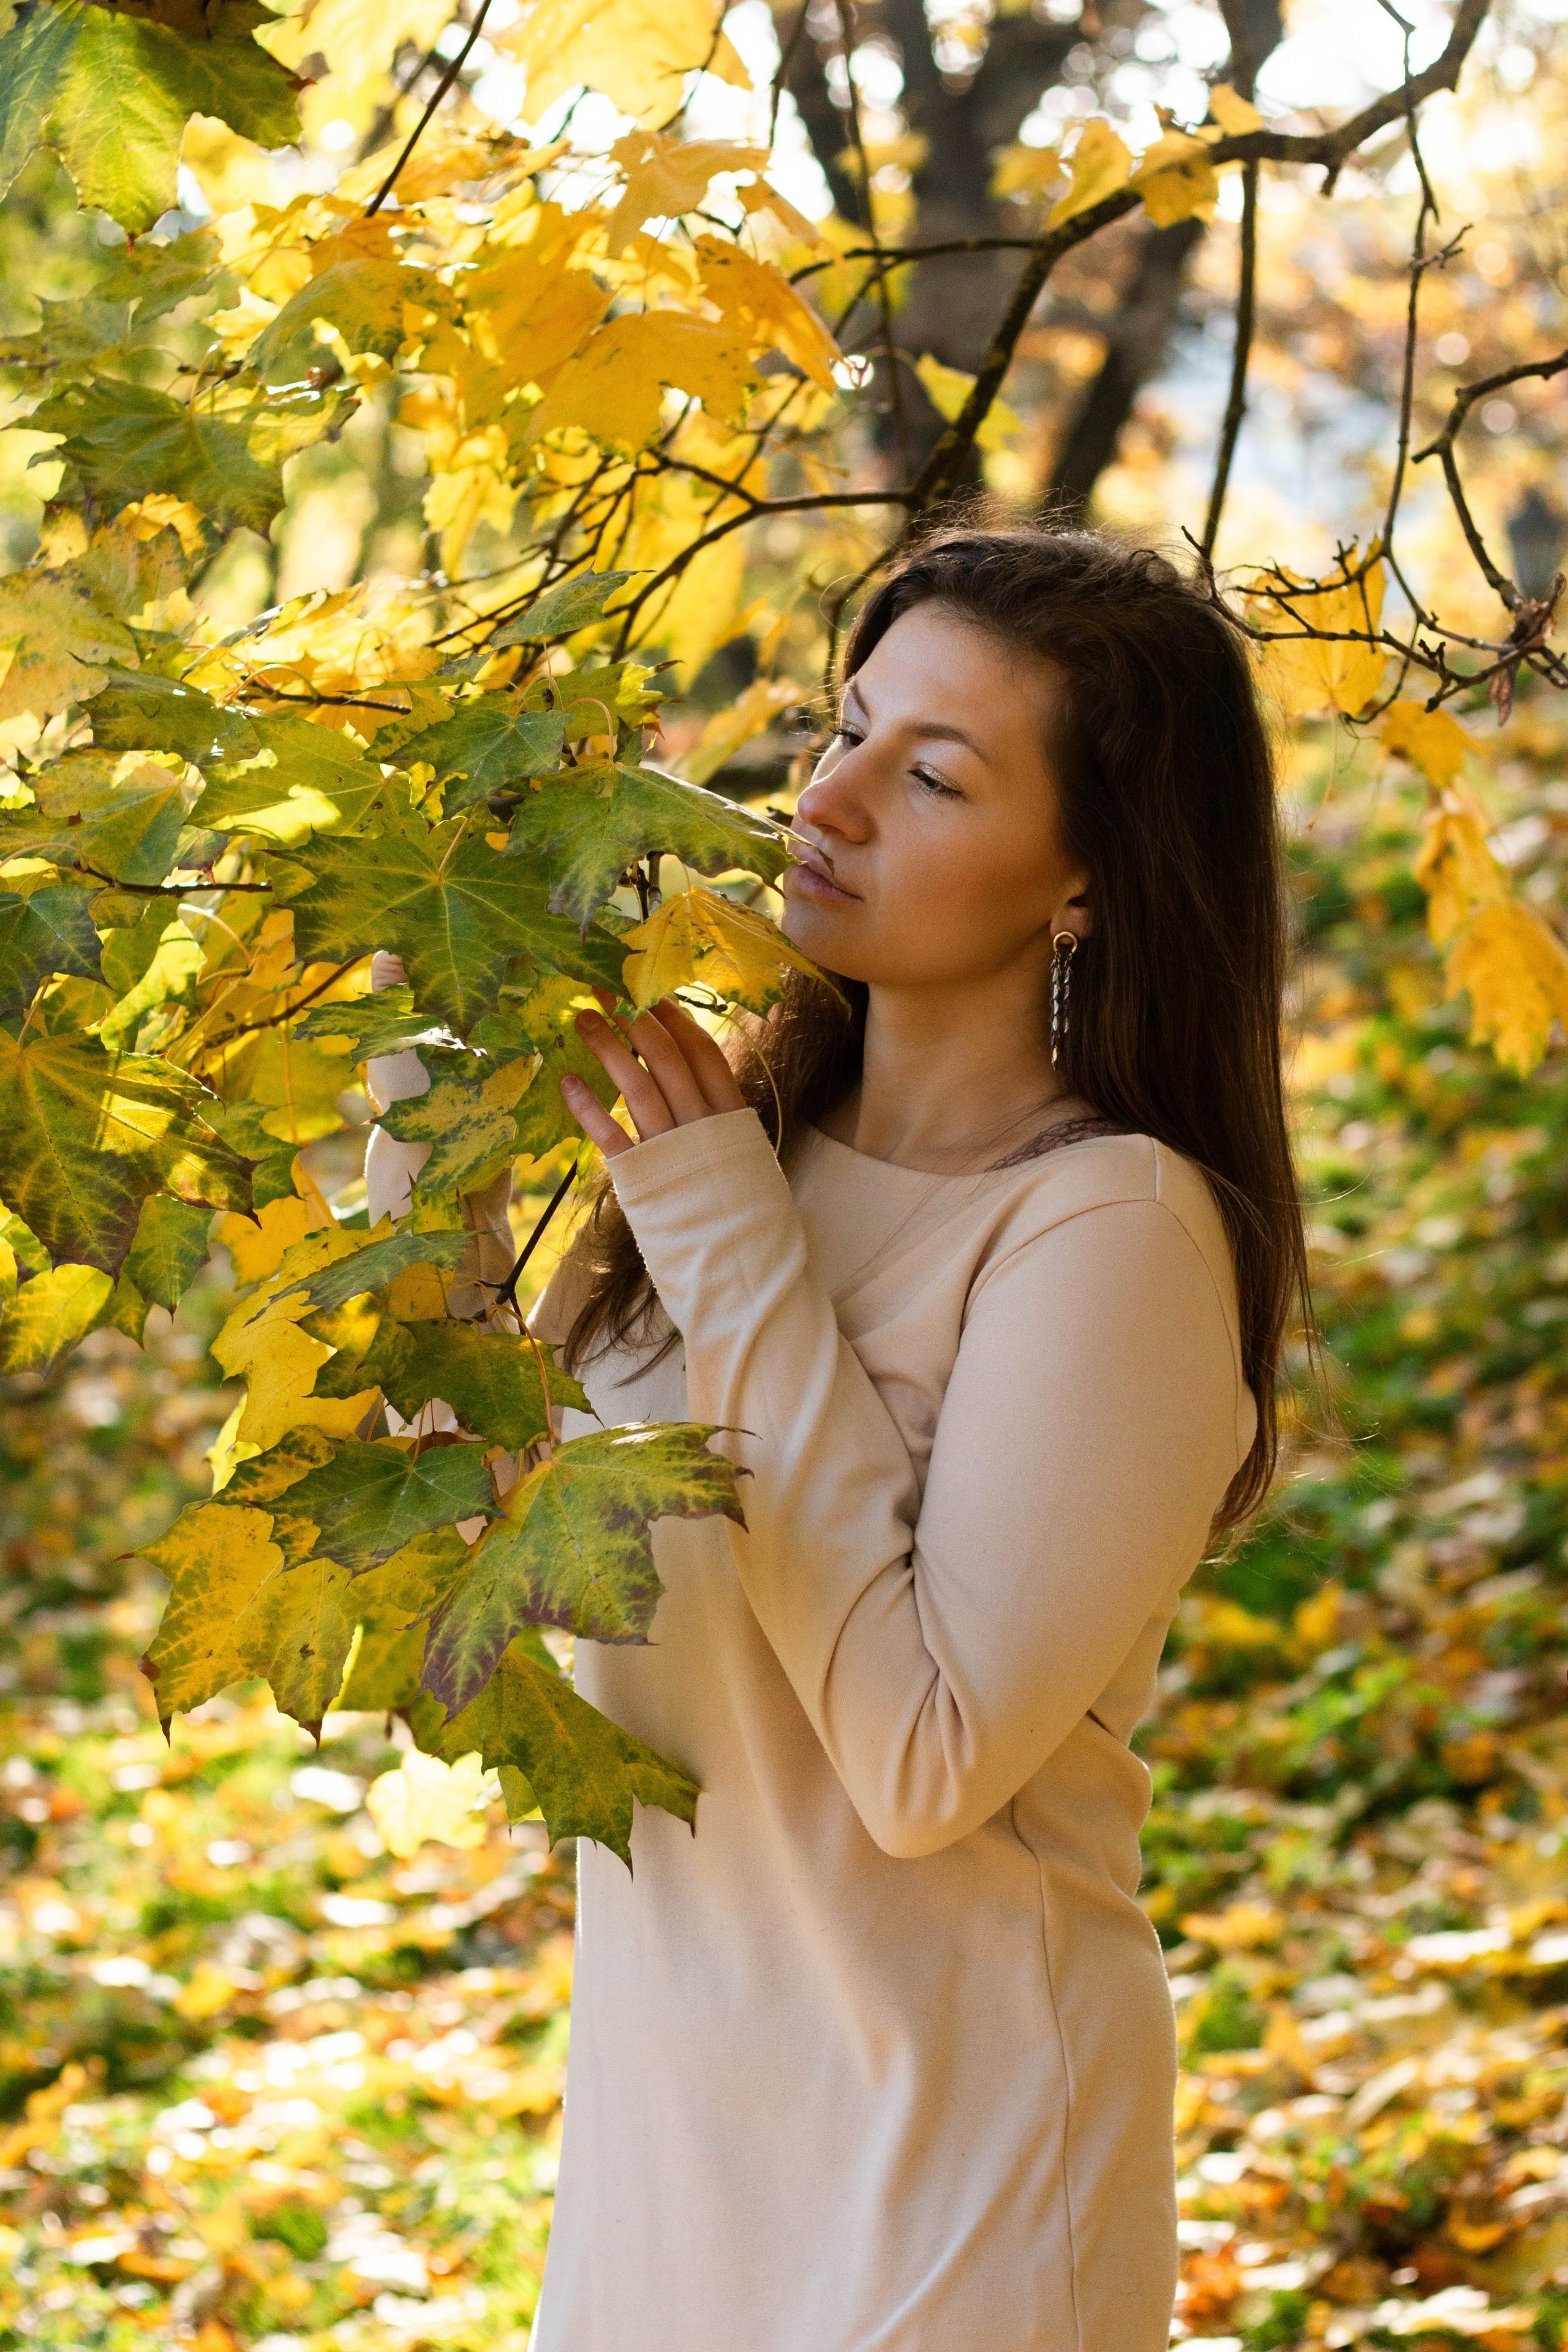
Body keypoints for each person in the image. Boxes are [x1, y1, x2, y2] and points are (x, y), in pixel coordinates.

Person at [522, 526, 1309, 2352]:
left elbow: (924, 1757)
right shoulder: (735, 1145)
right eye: (850, 726)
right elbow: (458, 1606)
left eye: (935, 773)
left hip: (950, 2200)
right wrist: (430, 1115)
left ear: (1086, 884)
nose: (833, 798)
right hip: (666, 2156)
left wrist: (724, 1239)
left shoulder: (1108, 1229)